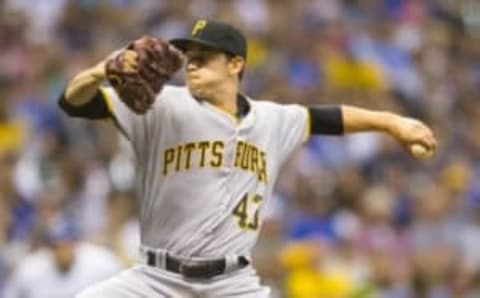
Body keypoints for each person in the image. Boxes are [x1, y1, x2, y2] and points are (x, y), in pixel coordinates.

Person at [58, 19, 436, 297]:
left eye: (203, 57)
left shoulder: (271, 119)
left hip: (232, 285)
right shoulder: (162, 104)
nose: (191, 64)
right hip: (157, 281)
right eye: (188, 57)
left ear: (235, 64)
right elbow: (74, 103)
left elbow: (326, 117)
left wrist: (392, 123)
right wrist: (99, 71)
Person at [3, 215, 122, 298]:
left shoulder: (101, 262)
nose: (62, 251)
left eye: (66, 244)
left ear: (75, 244)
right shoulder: (30, 270)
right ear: (48, 248)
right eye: (56, 246)